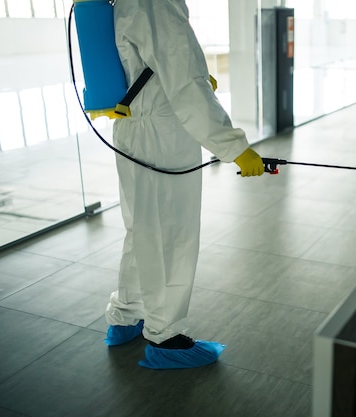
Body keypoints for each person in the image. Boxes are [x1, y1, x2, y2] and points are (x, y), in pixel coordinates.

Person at [103, 0, 264, 369]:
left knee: (142, 228)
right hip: (161, 134)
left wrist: (183, 83)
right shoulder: (156, 2)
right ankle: (166, 335)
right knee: (170, 233)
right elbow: (186, 85)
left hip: (133, 128)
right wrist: (235, 148)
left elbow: (154, 65)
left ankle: (126, 315)